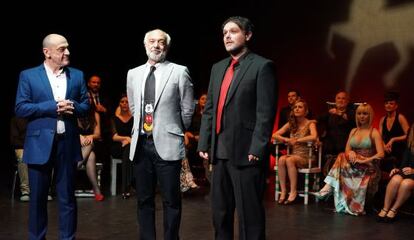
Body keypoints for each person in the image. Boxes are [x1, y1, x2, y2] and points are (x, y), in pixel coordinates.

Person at [197, 16, 278, 239]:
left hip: (246, 152)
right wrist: (204, 141)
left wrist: (257, 148)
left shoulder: (262, 66)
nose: (228, 36)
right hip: (219, 152)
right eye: (224, 33)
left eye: (233, 31)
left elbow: (265, 113)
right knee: (220, 213)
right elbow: (210, 109)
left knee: (249, 216)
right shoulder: (218, 68)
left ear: (248, 35)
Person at [14, 33, 89, 239]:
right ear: (47, 52)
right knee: (37, 199)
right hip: (39, 144)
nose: (67, 52)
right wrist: (53, 107)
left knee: (67, 198)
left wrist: (72, 106)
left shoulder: (77, 75)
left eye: (67, 48)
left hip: (67, 143)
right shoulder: (28, 76)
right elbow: (20, 108)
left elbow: (85, 105)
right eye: (62, 49)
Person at [126, 29, 194, 239]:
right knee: (144, 199)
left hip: (168, 143)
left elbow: (188, 108)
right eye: (152, 41)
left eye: (161, 42)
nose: (156, 45)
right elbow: (133, 107)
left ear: (167, 46)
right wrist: (143, 127)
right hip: (141, 144)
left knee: (171, 200)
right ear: (145, 45)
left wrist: (175, 130)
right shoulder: (133, 73)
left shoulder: (179, 71)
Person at [313, 103, 384, 216]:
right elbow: (347, 150)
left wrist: (364, 160)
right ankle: (328, 187)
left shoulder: (374, 132)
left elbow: (381, 154)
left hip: (367, 165)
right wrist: (350, 152)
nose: (362, 116)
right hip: (352, 164)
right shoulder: (353, 131)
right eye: (359, 113)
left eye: (365, 114)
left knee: (341, 156)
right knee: (342, 155)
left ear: (370, 115)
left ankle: (327, 187)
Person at [272, 99, 318, 204]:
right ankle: (283, 191)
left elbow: (314, 136)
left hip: (307, 156)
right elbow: (275, 135)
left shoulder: (310, 123)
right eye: (295, 107)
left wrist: (297, 140)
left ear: (306, 111)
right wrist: (286, 139)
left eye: (300, 107)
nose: (297, 109)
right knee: (281, 159)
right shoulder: (291, 124)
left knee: (289, 160)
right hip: (294, 155)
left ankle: (293, 191)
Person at [377, 123, 414, 222]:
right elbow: (405, 161)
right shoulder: (410, 144)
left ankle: (394, 209)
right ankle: (385, 208)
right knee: (395, 179)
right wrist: (398, 169)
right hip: (407, 172)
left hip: (413, 175)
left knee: (405, 184)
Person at [317, 90, 356, 174]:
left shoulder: (352, 112)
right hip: (330, 144)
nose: (340, 100)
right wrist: (316, 137)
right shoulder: (330, 112)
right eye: (338, 98)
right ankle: (323, 180)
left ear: (347, 101)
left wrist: (338, 113)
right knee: (321, 148)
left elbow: (352, 120)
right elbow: (317, 120)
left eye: (343, 98)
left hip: (345, 144)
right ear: (335, 100)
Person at [77, 104, 104, 201]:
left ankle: (76, 165)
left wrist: (90, 137)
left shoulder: (95, 114)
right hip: (76, 145)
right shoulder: (74, 113)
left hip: (92, 144)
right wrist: (79, 136)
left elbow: (98, 134)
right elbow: (70, 131)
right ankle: (96, 189)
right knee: (91, 155)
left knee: (89, 145)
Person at [378, 91, 409, 173]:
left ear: (396, 106)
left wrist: (393, 139)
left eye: (391, 103)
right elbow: (379, 137)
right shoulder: (382, 120)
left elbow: (409, 135)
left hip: (400, 152)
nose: (388, 105)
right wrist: (384, 145)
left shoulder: (400, 118)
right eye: (386, 103)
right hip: (387, 151)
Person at [111, 94, 133, 199]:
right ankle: (126, 187)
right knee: (127, 150)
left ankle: (126, 188)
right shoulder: (114, 119)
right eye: (122, 102)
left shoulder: (134, 119)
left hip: (130, 146)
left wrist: (129, 141)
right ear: (119, 104)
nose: (124, 104)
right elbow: (114, 137)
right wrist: (126, 139)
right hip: (117, 147)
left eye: (127, 102)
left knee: (128, 150)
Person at [10, 116, 30, 201]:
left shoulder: (37, 117)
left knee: (48, 157)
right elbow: (14, 139)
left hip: (36, 146)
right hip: (22, 146)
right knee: (23, 158)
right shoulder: (16, 119)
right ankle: (25, 190)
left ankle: (46, 190)